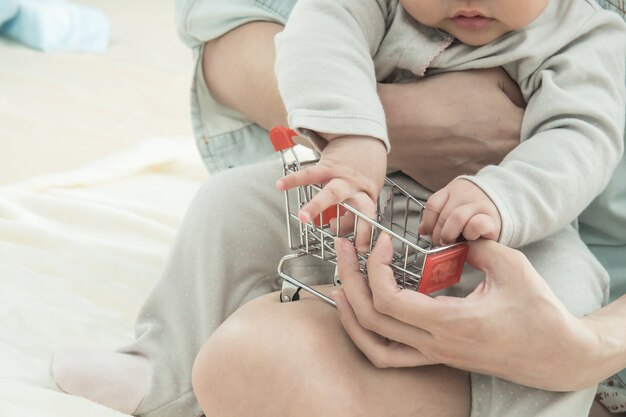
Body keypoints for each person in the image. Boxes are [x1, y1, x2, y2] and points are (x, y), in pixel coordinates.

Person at [50, 1, 626, 417]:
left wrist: (505, 198)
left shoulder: (587, 34)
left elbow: (582, 138)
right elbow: (314, 42)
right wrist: (354, 143)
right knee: (226, 202)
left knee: (568, 297)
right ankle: (165, 370)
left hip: (515, 228)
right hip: (365, 190)